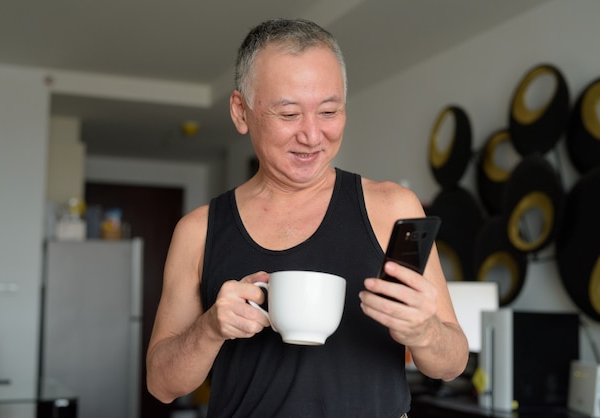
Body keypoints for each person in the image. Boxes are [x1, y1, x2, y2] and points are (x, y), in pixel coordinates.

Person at [146, 18, 468, 417]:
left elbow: (452, 362)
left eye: (329, 111)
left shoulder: (393, 208)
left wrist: (424, 331)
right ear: (241, 111)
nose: (312, 136)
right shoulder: (198, 230)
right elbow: (161, 386)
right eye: (289, 114)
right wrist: (211, 327)